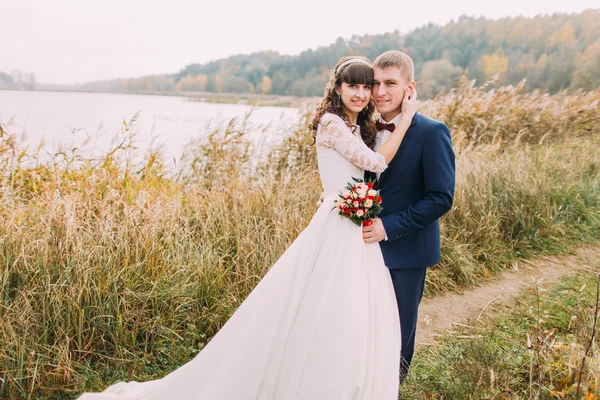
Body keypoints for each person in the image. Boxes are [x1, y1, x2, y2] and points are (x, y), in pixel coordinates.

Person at [77, 56, 417, 400]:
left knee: (350, 308)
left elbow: (355, 172)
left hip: (353, 227)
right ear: (338, 88)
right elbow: (374, 162)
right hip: (335, 225)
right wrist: (404, 122)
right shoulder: (331, 123)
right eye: (352, 86)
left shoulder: (358, 126)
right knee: (322, 304)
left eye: (365, 86)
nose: (360, 93)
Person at [362, 50, 455, 383]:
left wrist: (388, 226)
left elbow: (441, 198)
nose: (380, 91)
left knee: (398, 332)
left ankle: (391, 389)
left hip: (407, 251)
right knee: (363, 327)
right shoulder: (364, 131)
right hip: (361, 250)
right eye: (375, 83)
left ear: (409, 87)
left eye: (390, 83)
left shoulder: (432, 132)